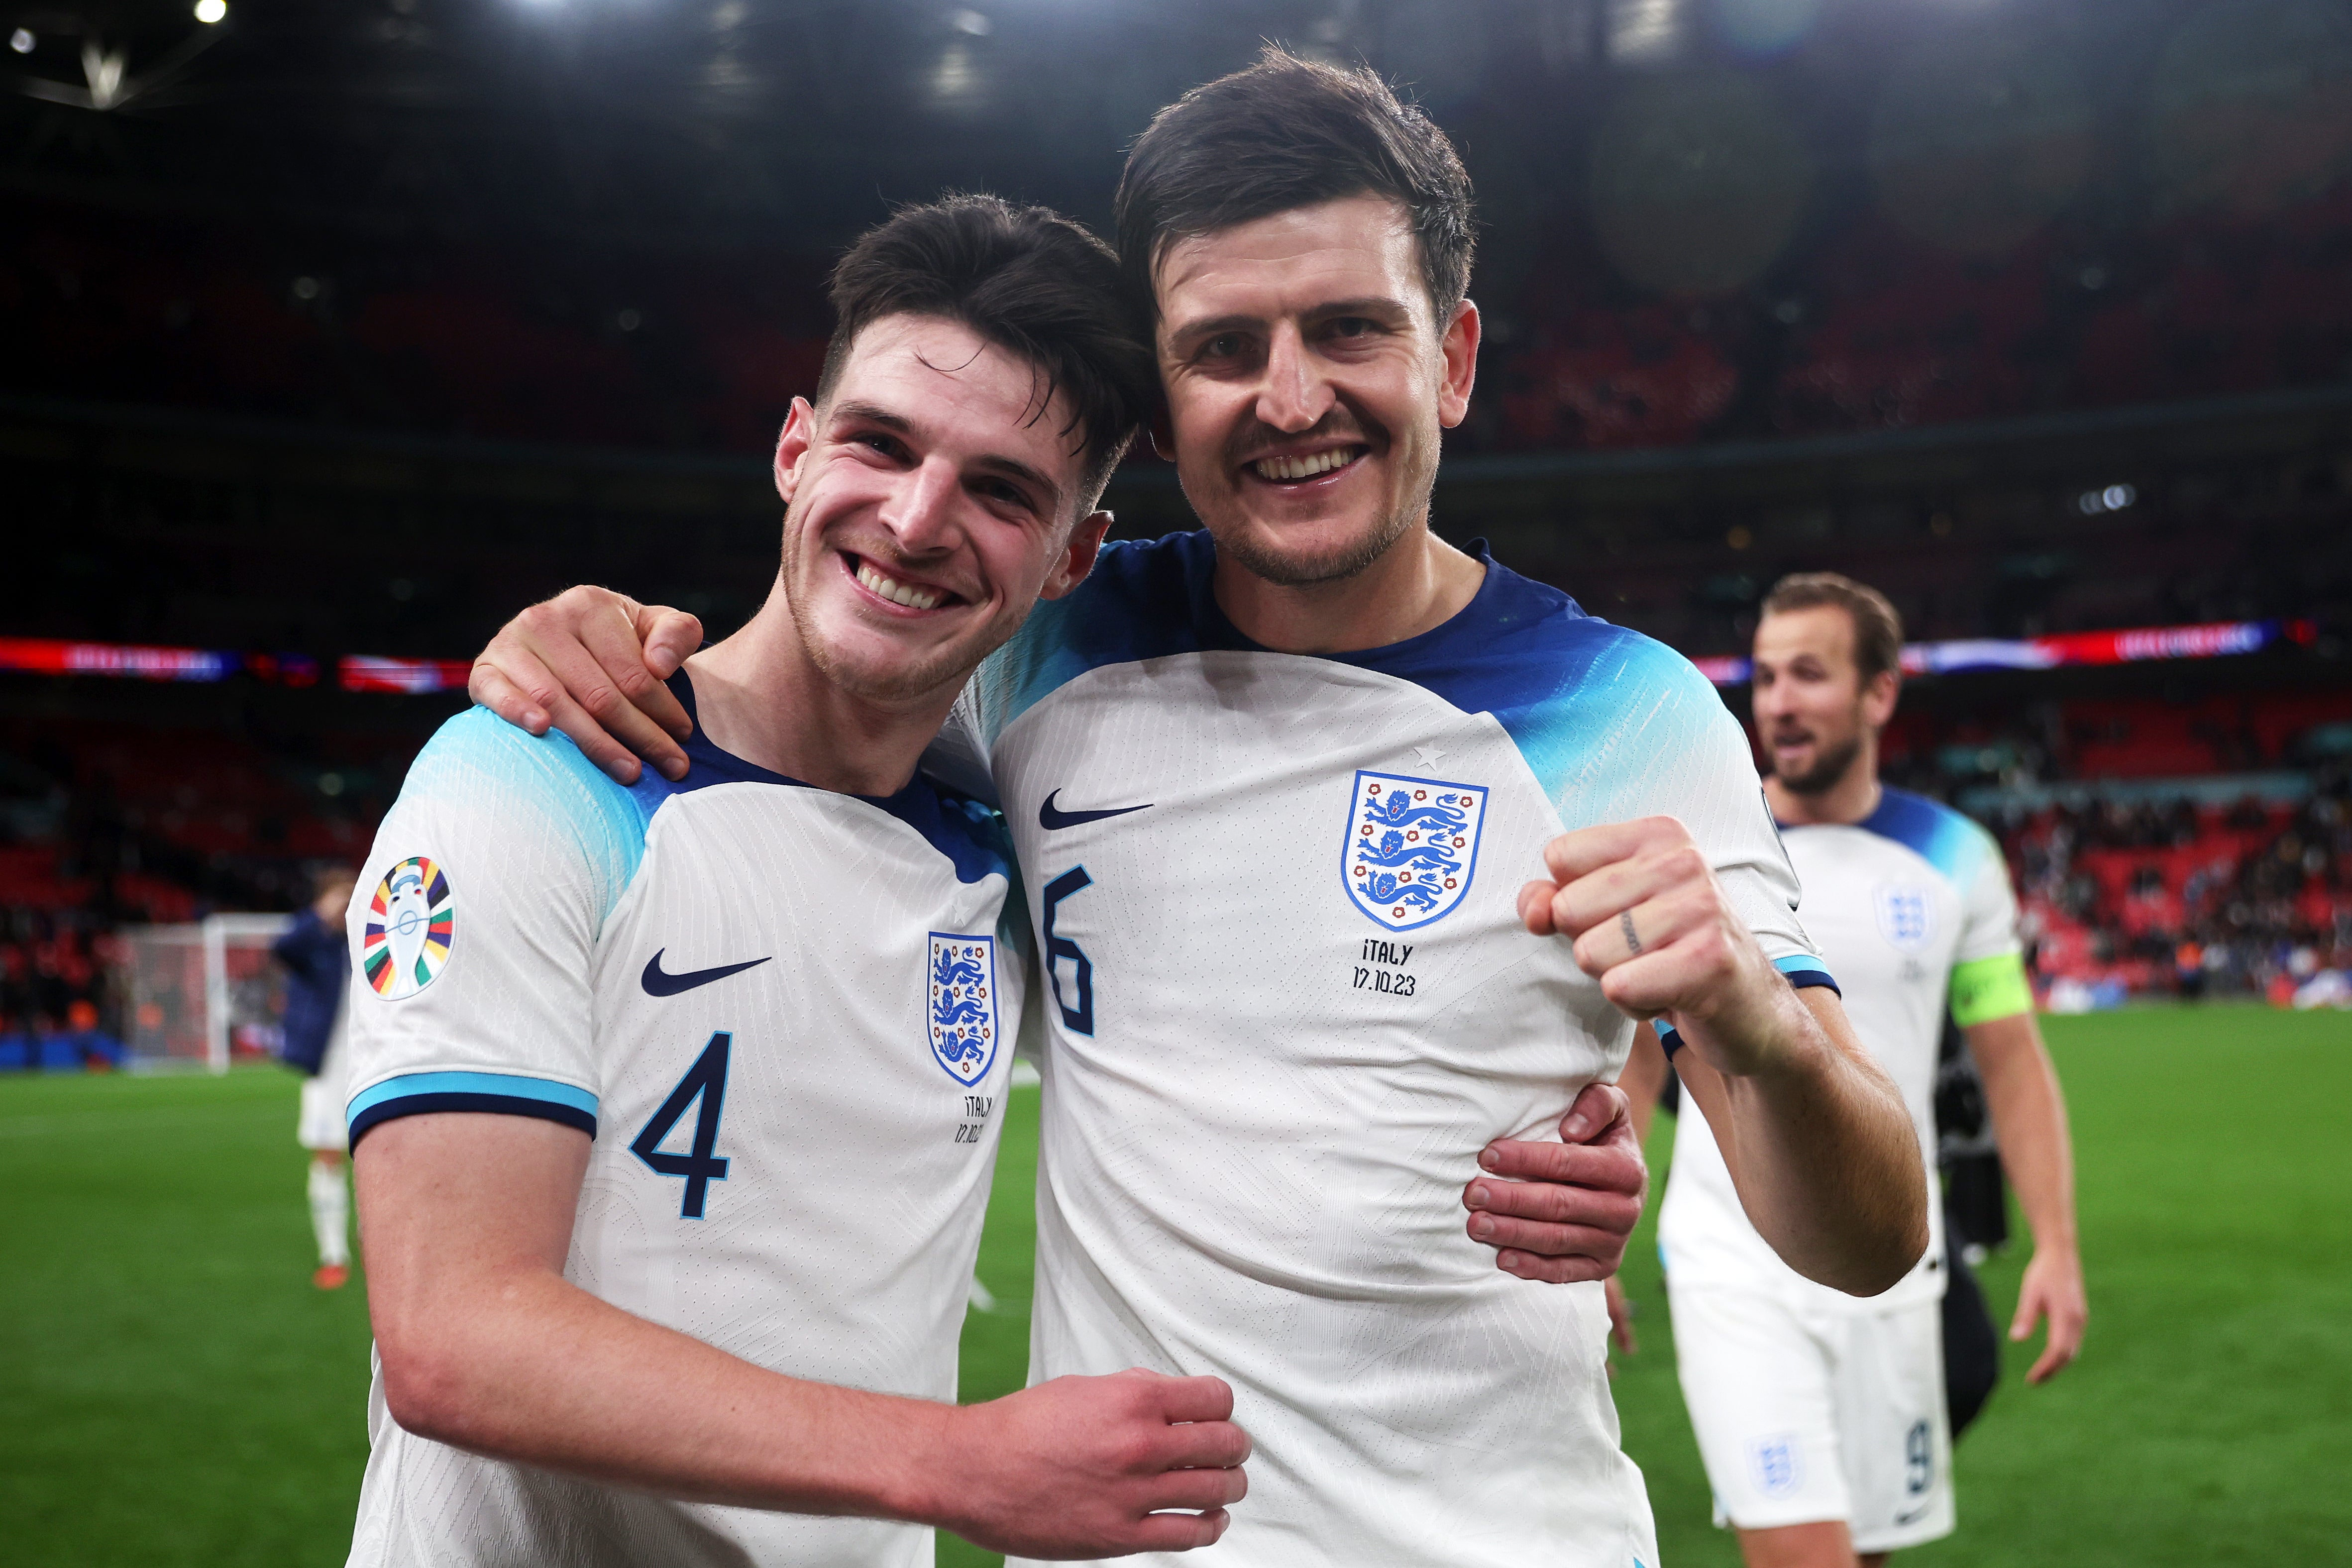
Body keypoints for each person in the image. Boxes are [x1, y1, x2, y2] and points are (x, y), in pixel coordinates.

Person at [471, 51, 1927, 1567]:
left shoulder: (1633, 717)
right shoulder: (1035, 653)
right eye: (1225, 347)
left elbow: (1871, 1242)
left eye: (1352, 329)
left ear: (1456, 356)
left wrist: (1754, 1026)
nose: (1292, 398)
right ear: (1160, 411)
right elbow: (813, 687)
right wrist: (587, 636)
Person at [340, 196, 1253, 1568]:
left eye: (1002, 489)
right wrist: (954, 1460)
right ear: (793, 446)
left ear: (1073, 554)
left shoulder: (1007, 817)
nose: (917, 516)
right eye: (880, 443)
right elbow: (454, 1336)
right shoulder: (530, 777)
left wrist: (1553, 1122)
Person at [1629, 572, 2087, 1568]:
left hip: (1891, 1248)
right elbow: (1634, 1054)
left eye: (1808, 674)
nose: (1778, 701)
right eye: (1764, 677)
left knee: (1866, 1553)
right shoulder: (1699, 843)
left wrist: (2052, 1244)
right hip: (1730, 1256)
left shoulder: (1956, 856)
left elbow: (2012, 1064)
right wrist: (1600, 1237)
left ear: (1878, 693)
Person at [275, 863, 358, 1289]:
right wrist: (321, 915)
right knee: (328, 1158)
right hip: (328, 1067)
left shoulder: (362, 941)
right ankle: (333, 1253)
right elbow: (283, 947)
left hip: (370, 1062)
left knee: (380, 1156)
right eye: (340, 896)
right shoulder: (316, 943)